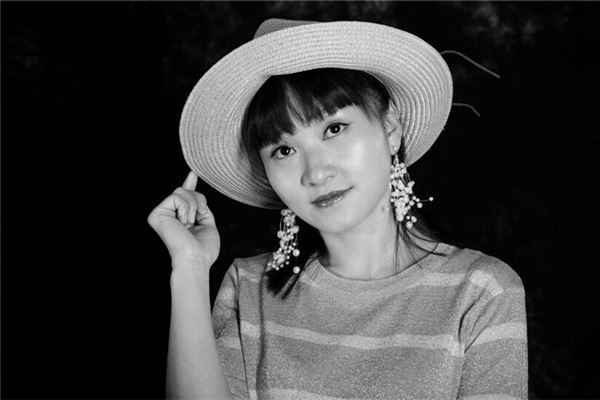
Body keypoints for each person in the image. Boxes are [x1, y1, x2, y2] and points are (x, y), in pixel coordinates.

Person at [148, 18, 528, 400]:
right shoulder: (247, 288)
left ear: (391, 129)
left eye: (333, 129)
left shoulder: (481, 293)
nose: (315, 173)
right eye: (284, 150)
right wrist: (190, 268)